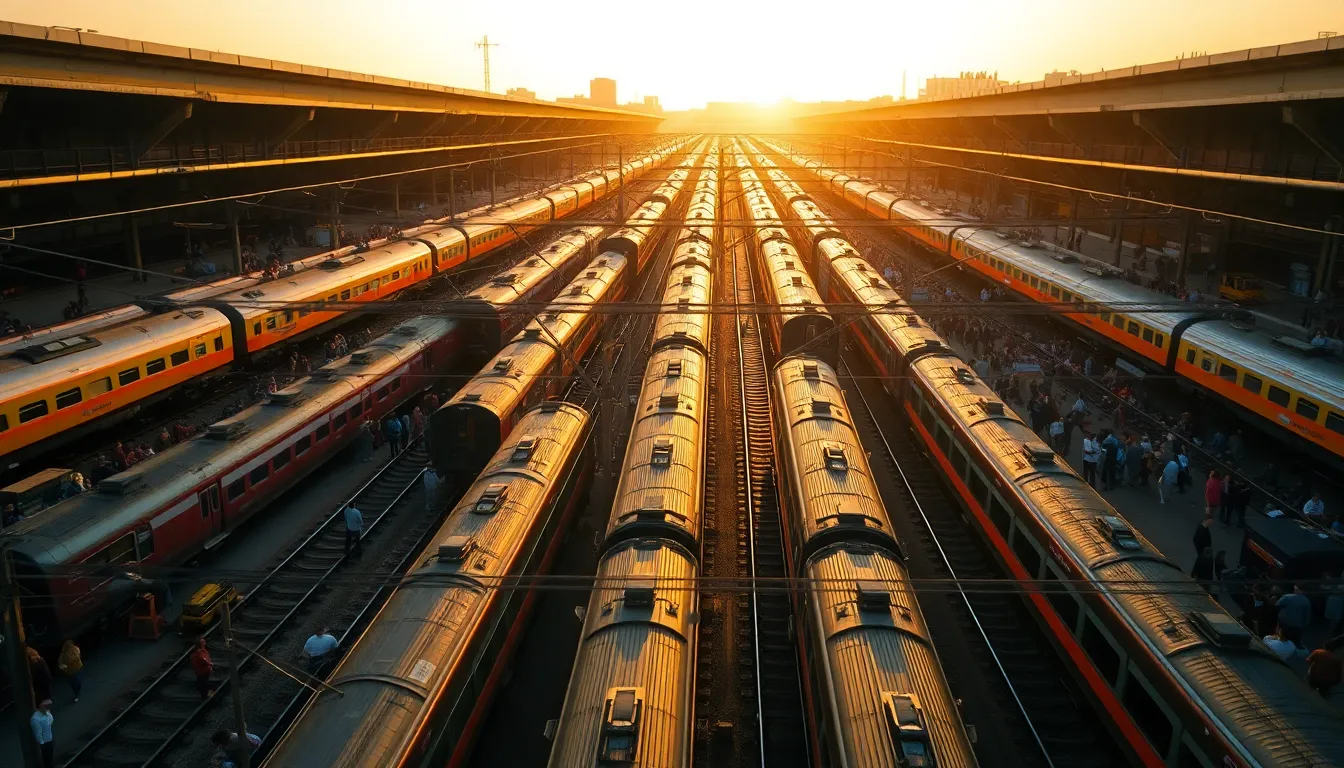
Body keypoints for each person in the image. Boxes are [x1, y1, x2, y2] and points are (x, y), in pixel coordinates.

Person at [31, 698, 54, 768]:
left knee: (50, 758)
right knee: (46, 760)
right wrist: (42, 743)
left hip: (50, 739)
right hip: (45, 743)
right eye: (46, 706)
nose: (48, 707)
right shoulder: (35, 719)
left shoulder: (47, 714)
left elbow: (51, 721)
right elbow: (38, 732)